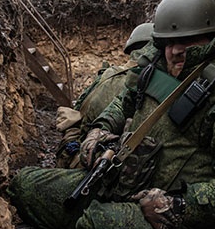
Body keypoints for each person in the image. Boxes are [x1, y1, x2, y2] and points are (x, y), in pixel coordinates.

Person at [5, 0, 215, 229]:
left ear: (212, 38)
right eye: (169, 42)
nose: (176, 50)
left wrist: (180, 204)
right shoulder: (155, 69)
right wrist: (99, 130)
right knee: (25, 187)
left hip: (180, 220)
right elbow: (123, 103)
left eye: (189, 40)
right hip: (118, 181)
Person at [53, 22, 153, 168]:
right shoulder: (143, 83)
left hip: (73, 150)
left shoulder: (107, 73)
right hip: (95, 163)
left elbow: (79, 106)